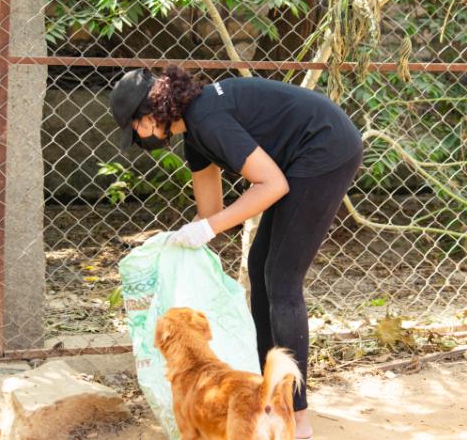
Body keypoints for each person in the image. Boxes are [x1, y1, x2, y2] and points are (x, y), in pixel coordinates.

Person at [109, 65, 363, 440]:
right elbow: (210, 212)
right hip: (297, 157)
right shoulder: (193, 133)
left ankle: (298, 416)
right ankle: (269, 397)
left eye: (136, 128)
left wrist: (207, 228)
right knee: (261, 268)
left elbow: (271, 184)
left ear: (151, 114)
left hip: (325, 147)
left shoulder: (207, 118)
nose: (139, 136)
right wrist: (180, 239)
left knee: (281, 280)